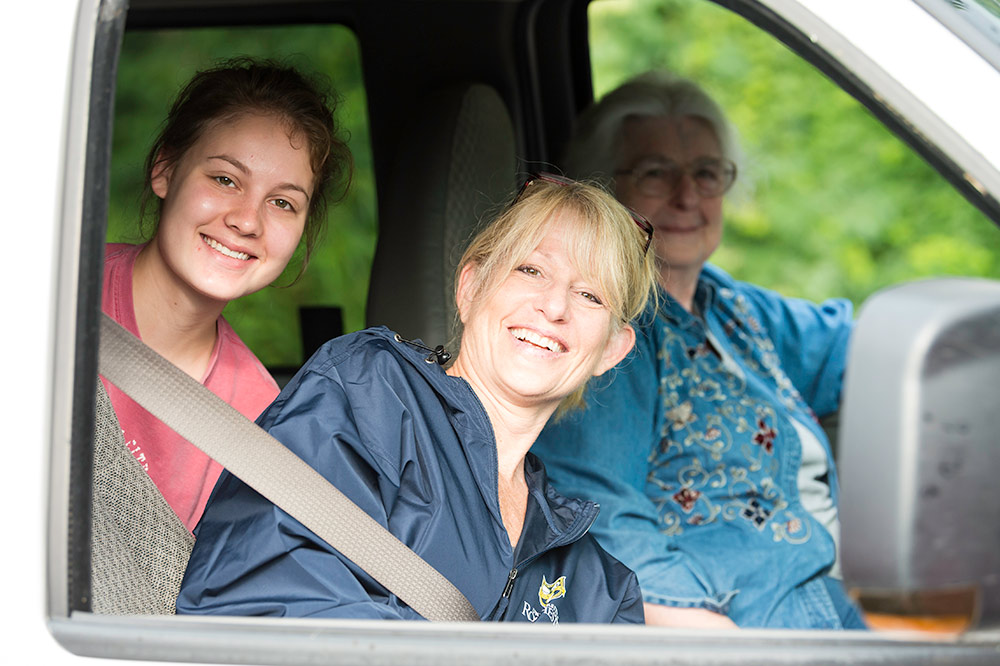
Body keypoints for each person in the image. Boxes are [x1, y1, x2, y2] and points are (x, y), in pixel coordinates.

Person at [176, 174, 657, 622]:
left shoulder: (604, 592)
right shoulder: (368, 394)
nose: (554, 307)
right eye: (530, 269)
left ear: (612, 350)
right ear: (470, 289)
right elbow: (271, 605)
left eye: (591, 295)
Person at [531, 71, 865, 629]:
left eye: (707, 173)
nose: (688, 196)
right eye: (656, 173)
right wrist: (709, 635)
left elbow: (861, 350)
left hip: (839, 588)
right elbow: (602, 519)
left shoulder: (727, 303)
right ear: (602, 189)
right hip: (764, 620)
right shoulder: (609, 332)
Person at [101, 57, 352, 532]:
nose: (247, 220)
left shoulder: (260, 419)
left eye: (282, 202)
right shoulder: (50, 290)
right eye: (224, 179)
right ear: (165, 170)